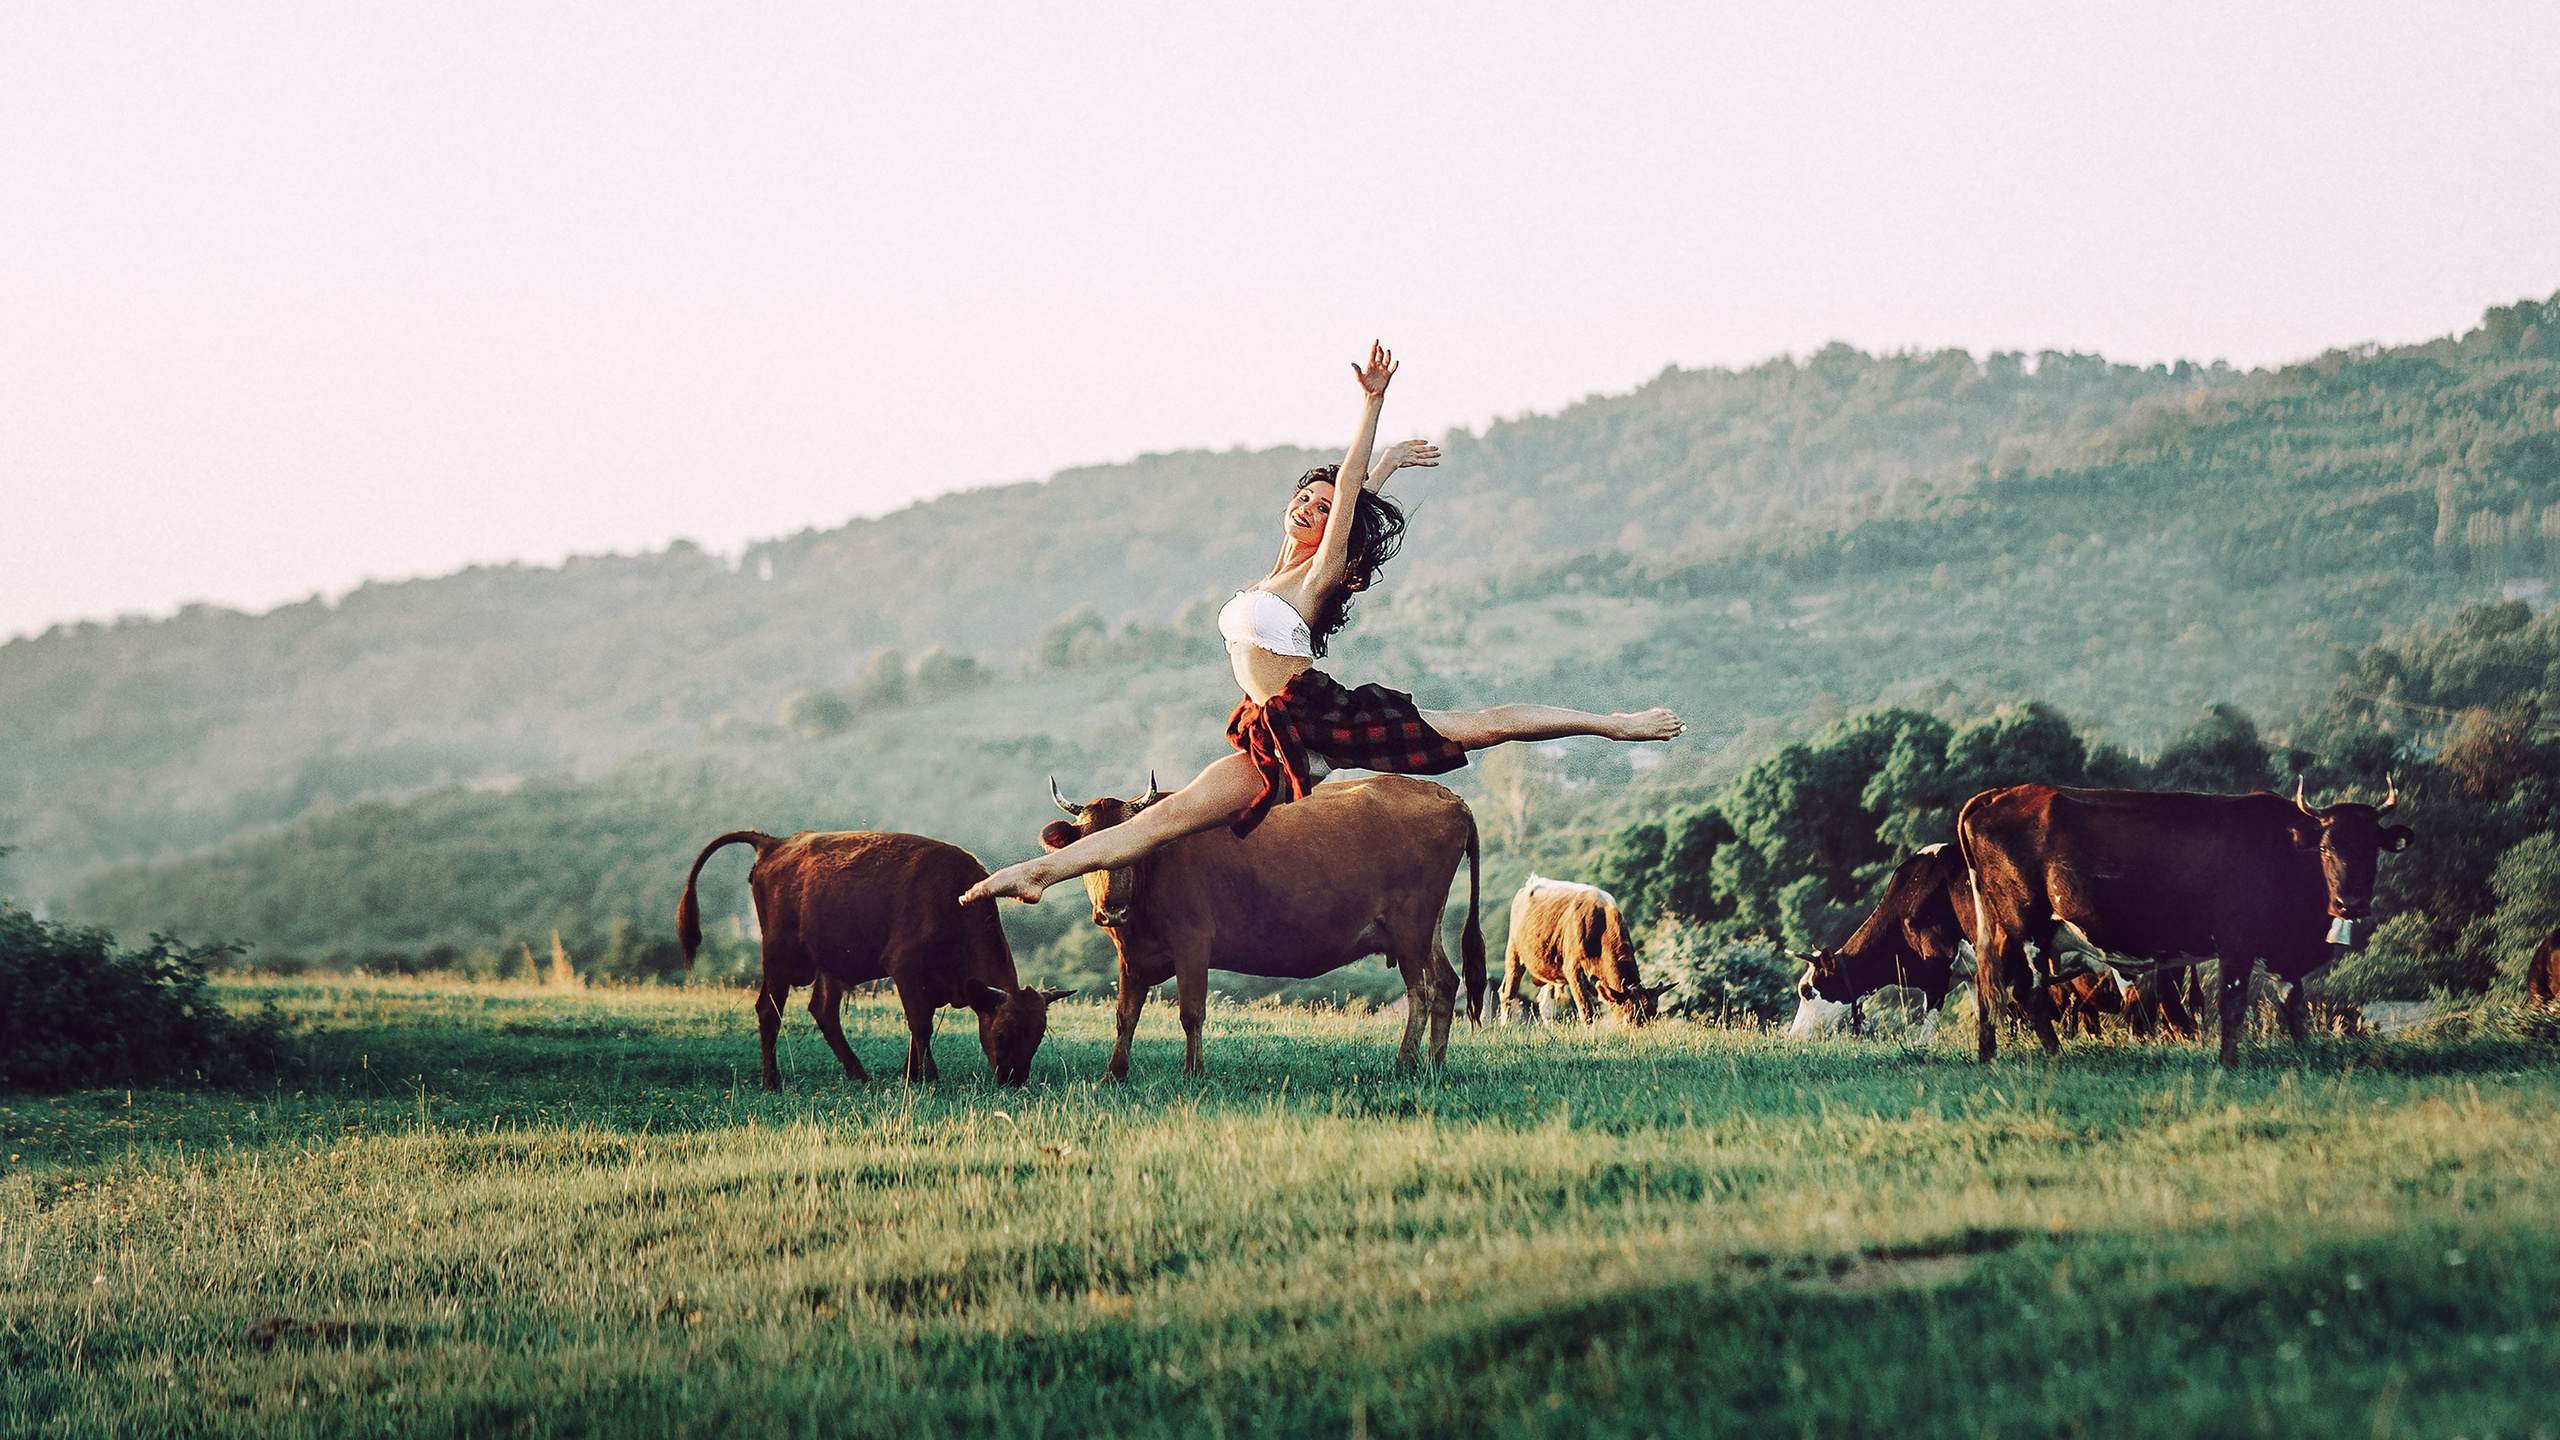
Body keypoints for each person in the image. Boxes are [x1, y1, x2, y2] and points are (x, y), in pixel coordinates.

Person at [961, 342, 1683, 907]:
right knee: (1164, 821)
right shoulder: (1275, 575)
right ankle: (1038, 875)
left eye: (1323, 503)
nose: (1311, 507)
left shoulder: (1314, 576)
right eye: (1303, 497)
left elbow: (1345, 507)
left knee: (1484, 722)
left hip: (1319, 712)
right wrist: (1386, 469)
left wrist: (1373, 411)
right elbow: (1347, 498)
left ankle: (1616, 724)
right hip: (1271, 727)